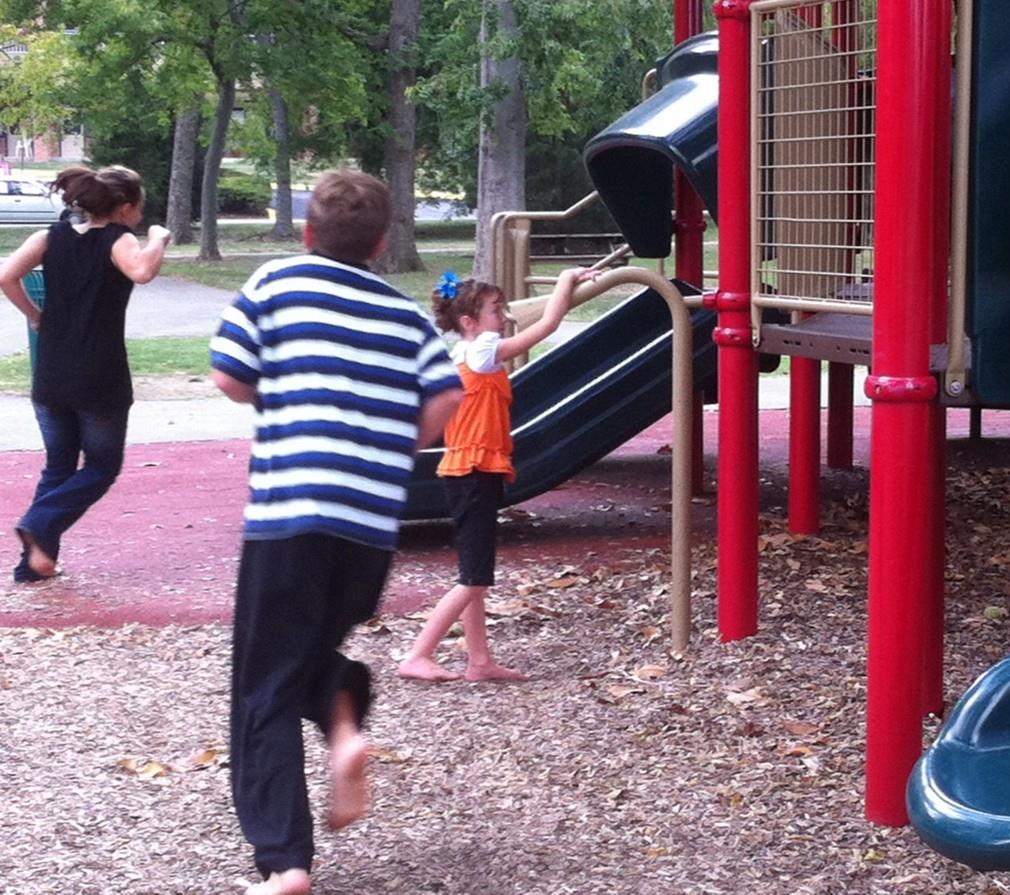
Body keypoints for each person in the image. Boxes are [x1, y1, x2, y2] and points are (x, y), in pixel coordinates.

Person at [210, 169, 462, 895]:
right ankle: (346, 729)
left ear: (308, 232)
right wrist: (393, 445)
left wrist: (286, 392)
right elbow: (447, 392)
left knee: (262, 685)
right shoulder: (406, 316)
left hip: (290, 514)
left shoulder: (275, 283)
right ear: (382, 244)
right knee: (309, 651)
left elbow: (230, 375)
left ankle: (285, 860)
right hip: (368, 531)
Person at [397, 265, 597, 683]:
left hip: (468, 470)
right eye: (495, 309)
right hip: (473, 472)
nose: (503, 316)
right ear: (470, 323)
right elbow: (547, 325)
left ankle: (479, 659)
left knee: (475, 572)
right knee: (473, 578)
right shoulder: (483, 348)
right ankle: (418, 654)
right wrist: (566, 281)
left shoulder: (463, 353)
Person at [0, 164, 172, 583]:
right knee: (101, 466)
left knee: (58, 467)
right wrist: (158, 238)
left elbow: (6, 276)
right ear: (127, 208)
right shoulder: (119, 240)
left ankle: (35, 563)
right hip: (100, 376)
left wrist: (36, 316)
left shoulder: (48, 238)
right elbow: (143, 271)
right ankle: (39, 523)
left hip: (51, 374)